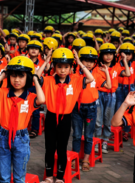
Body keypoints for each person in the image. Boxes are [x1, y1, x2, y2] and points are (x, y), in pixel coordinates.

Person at [0, 56, 45, 183]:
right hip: (3, 136)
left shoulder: (30, 97)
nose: (16, 80)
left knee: (19, 177)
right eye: (13, 75)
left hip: (21, 138)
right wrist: (2, 76)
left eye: (21, 76)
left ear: (27, 77)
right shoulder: (2, 93)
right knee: (4, 177)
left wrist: (35, 78)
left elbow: (42, 100)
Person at [38, 48, 94, 183]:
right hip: (51, 116)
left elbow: (91, 78)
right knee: (50, 148)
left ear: (70, 68)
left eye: (66, 67)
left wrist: (79, 63)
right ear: (54, 67)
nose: (63, 70)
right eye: (59, 67)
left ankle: (61, 178)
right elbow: (35, 76)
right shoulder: (48, 80)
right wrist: (46, 62)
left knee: (62, 148)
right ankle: (49, 176)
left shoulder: (75, 80)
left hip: (66, 118)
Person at [72, 46, 111, 172]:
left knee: (88, 136)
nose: (88, 63)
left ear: (95, 62)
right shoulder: (74, 74)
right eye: (85, 60)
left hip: (91, 108)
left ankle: (86, 160)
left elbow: (109, 86)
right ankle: (75, 158)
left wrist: (107, 73)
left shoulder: (97, 75)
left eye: (91, 61)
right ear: (80, 60)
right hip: (76, 108)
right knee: (77, 135)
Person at [94, 43, 130, 154]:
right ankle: (98, 140)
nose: (108, 56)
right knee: (98, 120)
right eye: (106, 54)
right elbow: (106, 85)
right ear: (101, 56)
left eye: (111, 54)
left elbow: (127, 73)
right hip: (99, 94)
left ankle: (105, 141)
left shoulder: (116, 67)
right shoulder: (97, 68)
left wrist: (124, 60)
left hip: (112, 95)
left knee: (108, 118)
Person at [115, 43, 135, 141]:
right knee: (119, 108)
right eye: (125, 54)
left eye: (129, 54)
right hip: (119, 88)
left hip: (131, 88)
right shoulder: (117, 64)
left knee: (130, 109)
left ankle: (126, 132)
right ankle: (117, 129)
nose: (127, 56)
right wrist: (120, 53)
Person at [25, 40, 45, 138]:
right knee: (24, 107)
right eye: (31, 48)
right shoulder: (24, 60)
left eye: (36, 49)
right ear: (28, 50)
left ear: (39, 52)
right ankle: (23, 126)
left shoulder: (41, 62)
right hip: (25, 87)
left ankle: (34, 129)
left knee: (36, 110)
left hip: (36, 88)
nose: (33, 50)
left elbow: (46, 70)